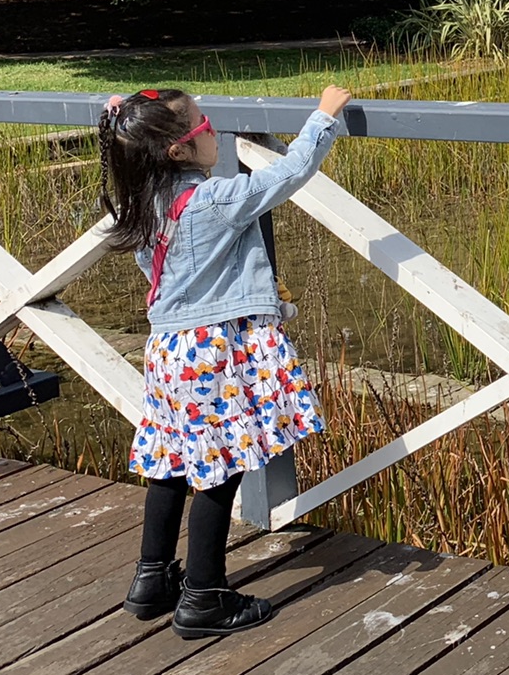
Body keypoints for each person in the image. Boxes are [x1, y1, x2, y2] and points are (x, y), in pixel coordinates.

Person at [96, 83, 351, 637]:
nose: (214, 129)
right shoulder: (214, 200)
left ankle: (151, 579)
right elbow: (286, 176)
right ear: (179, 151)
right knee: (220, 469)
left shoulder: (142, 202)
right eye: (204, 124)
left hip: (167, 353)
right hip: (210, 353)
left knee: (170, 463)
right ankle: (204, 597)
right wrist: (322, 118)